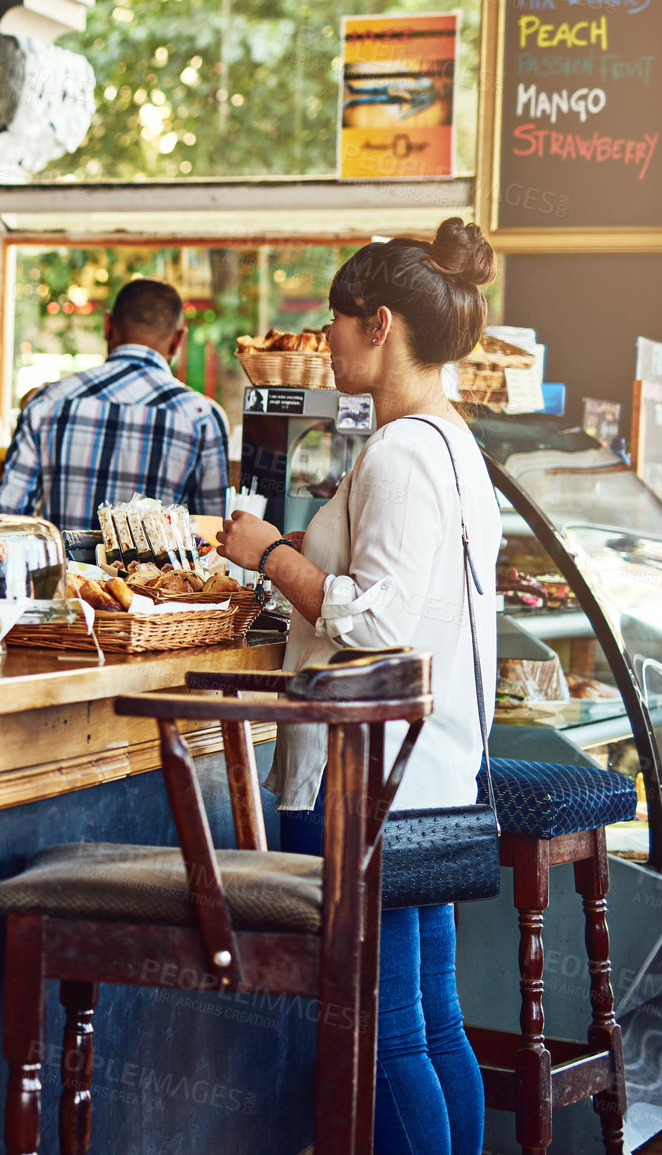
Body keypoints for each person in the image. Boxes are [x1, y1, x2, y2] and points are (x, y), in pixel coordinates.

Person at [216, 218, 499, 1155]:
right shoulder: (452, 444)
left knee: (386, 1033)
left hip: (365, 783)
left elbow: (376, 619)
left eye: (332, 319)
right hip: (430, 772)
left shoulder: (402, 453)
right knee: (429, 1019)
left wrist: (270, 554)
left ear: (378, 324)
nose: (323, 336)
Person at [0, 277, 228, 528]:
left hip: (62, 568)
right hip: (159, 569)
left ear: (107, 326)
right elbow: (211, 533)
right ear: (178, 339)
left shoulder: (48, 402)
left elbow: (8, 518)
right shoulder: (201, 417)